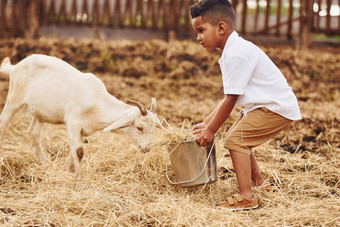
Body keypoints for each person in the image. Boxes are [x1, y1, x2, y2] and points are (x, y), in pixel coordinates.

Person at [190, 0, 302, 211]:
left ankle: (246, 197)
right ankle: (258, 184)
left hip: (275, 107)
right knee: (240, 137)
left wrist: (211, 130)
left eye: (201, 30)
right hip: (266, 105)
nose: (198, 37)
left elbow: (230, 100)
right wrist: (206, 123)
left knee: (236, 141)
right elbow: (229, 96)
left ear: (221, 27)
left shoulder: (236, 53)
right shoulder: (233, 50)